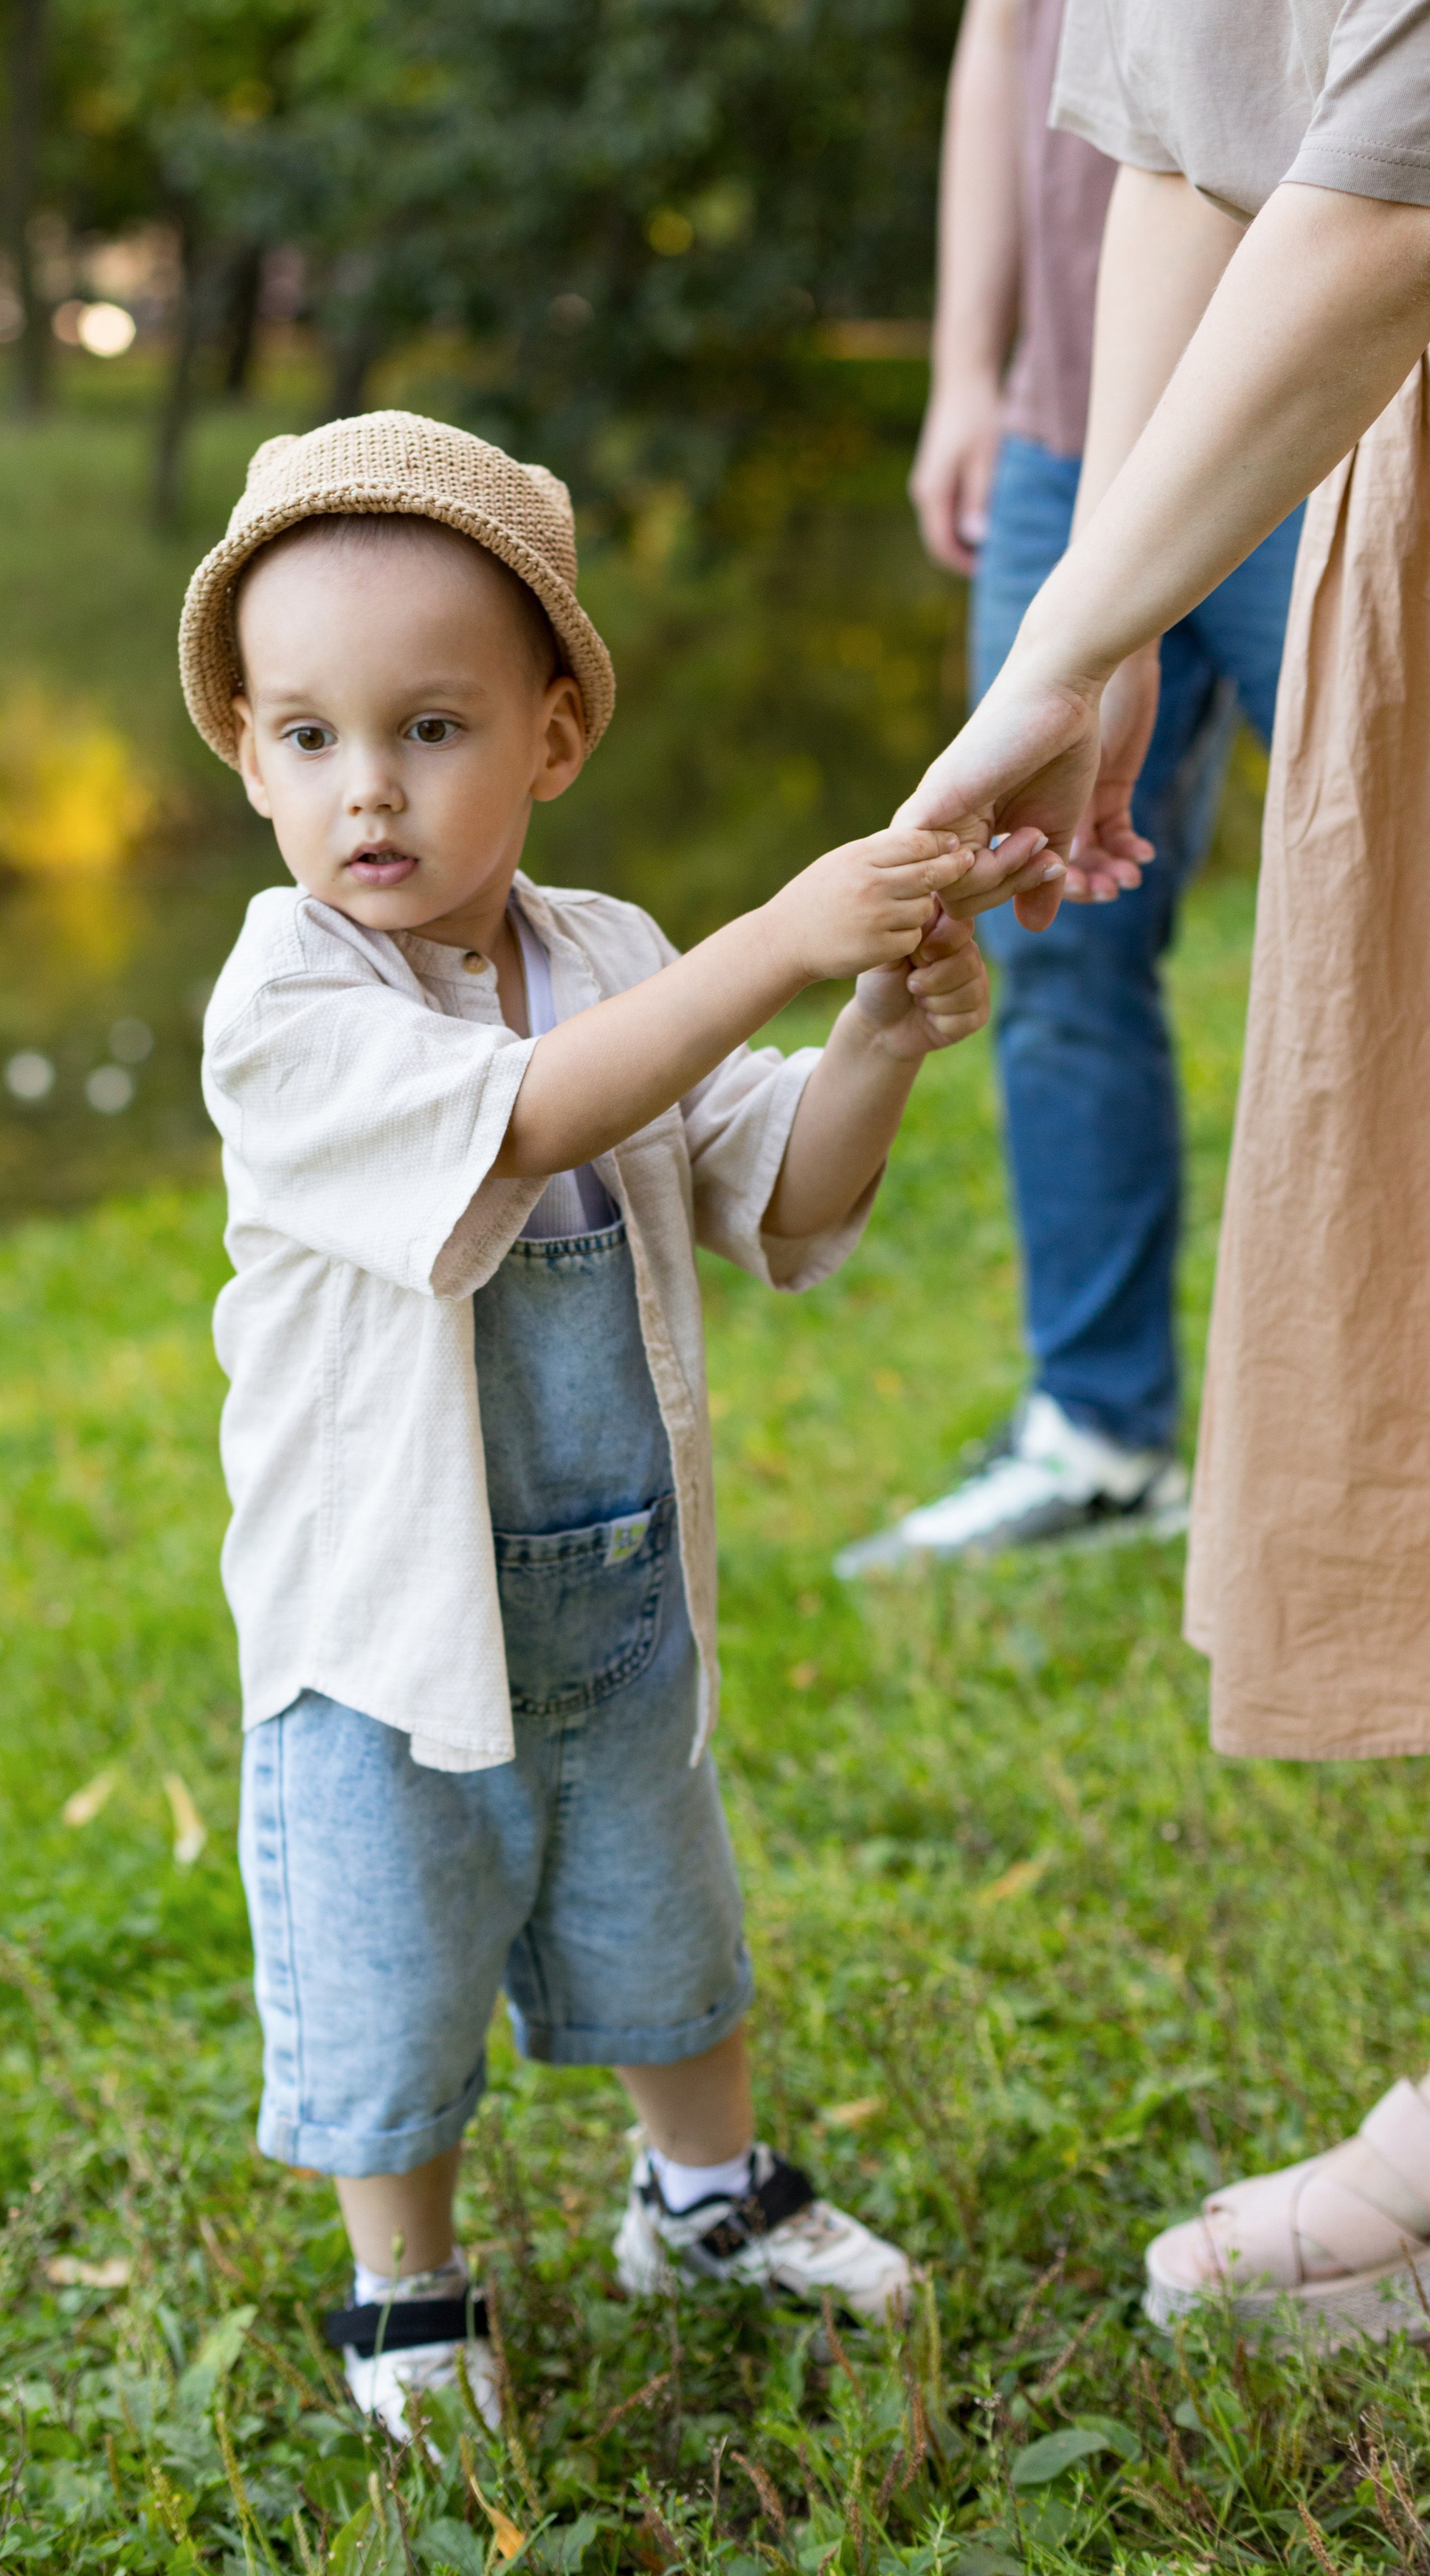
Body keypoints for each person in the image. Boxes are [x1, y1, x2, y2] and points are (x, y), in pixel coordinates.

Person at [182, 410, 1055, 2433]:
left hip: (613, 1599)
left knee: (667, 1917)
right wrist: (781, 941)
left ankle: (706, 2192)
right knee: (391, 1959)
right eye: (305, 738)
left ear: (553, 740)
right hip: (383, 1631)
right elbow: (532, 1118)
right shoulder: (286, 999)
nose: (365, 790)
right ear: (245, 752)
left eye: (428, 727)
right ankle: (405, 2287)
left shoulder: (611, 961)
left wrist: (871, 1032)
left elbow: (787, 1196)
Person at [897, 0, 1430, 2341]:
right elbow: (1192, 132)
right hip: (1362, 453)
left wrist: (1096, 618)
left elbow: (1391, 165)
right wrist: (1089, 580)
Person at [839, 0, 1302, 1575]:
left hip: (1312, 409)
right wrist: (968, 364)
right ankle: (1101, 1432)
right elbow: (1010, 15)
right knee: (1053, 927)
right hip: (1060, 431)